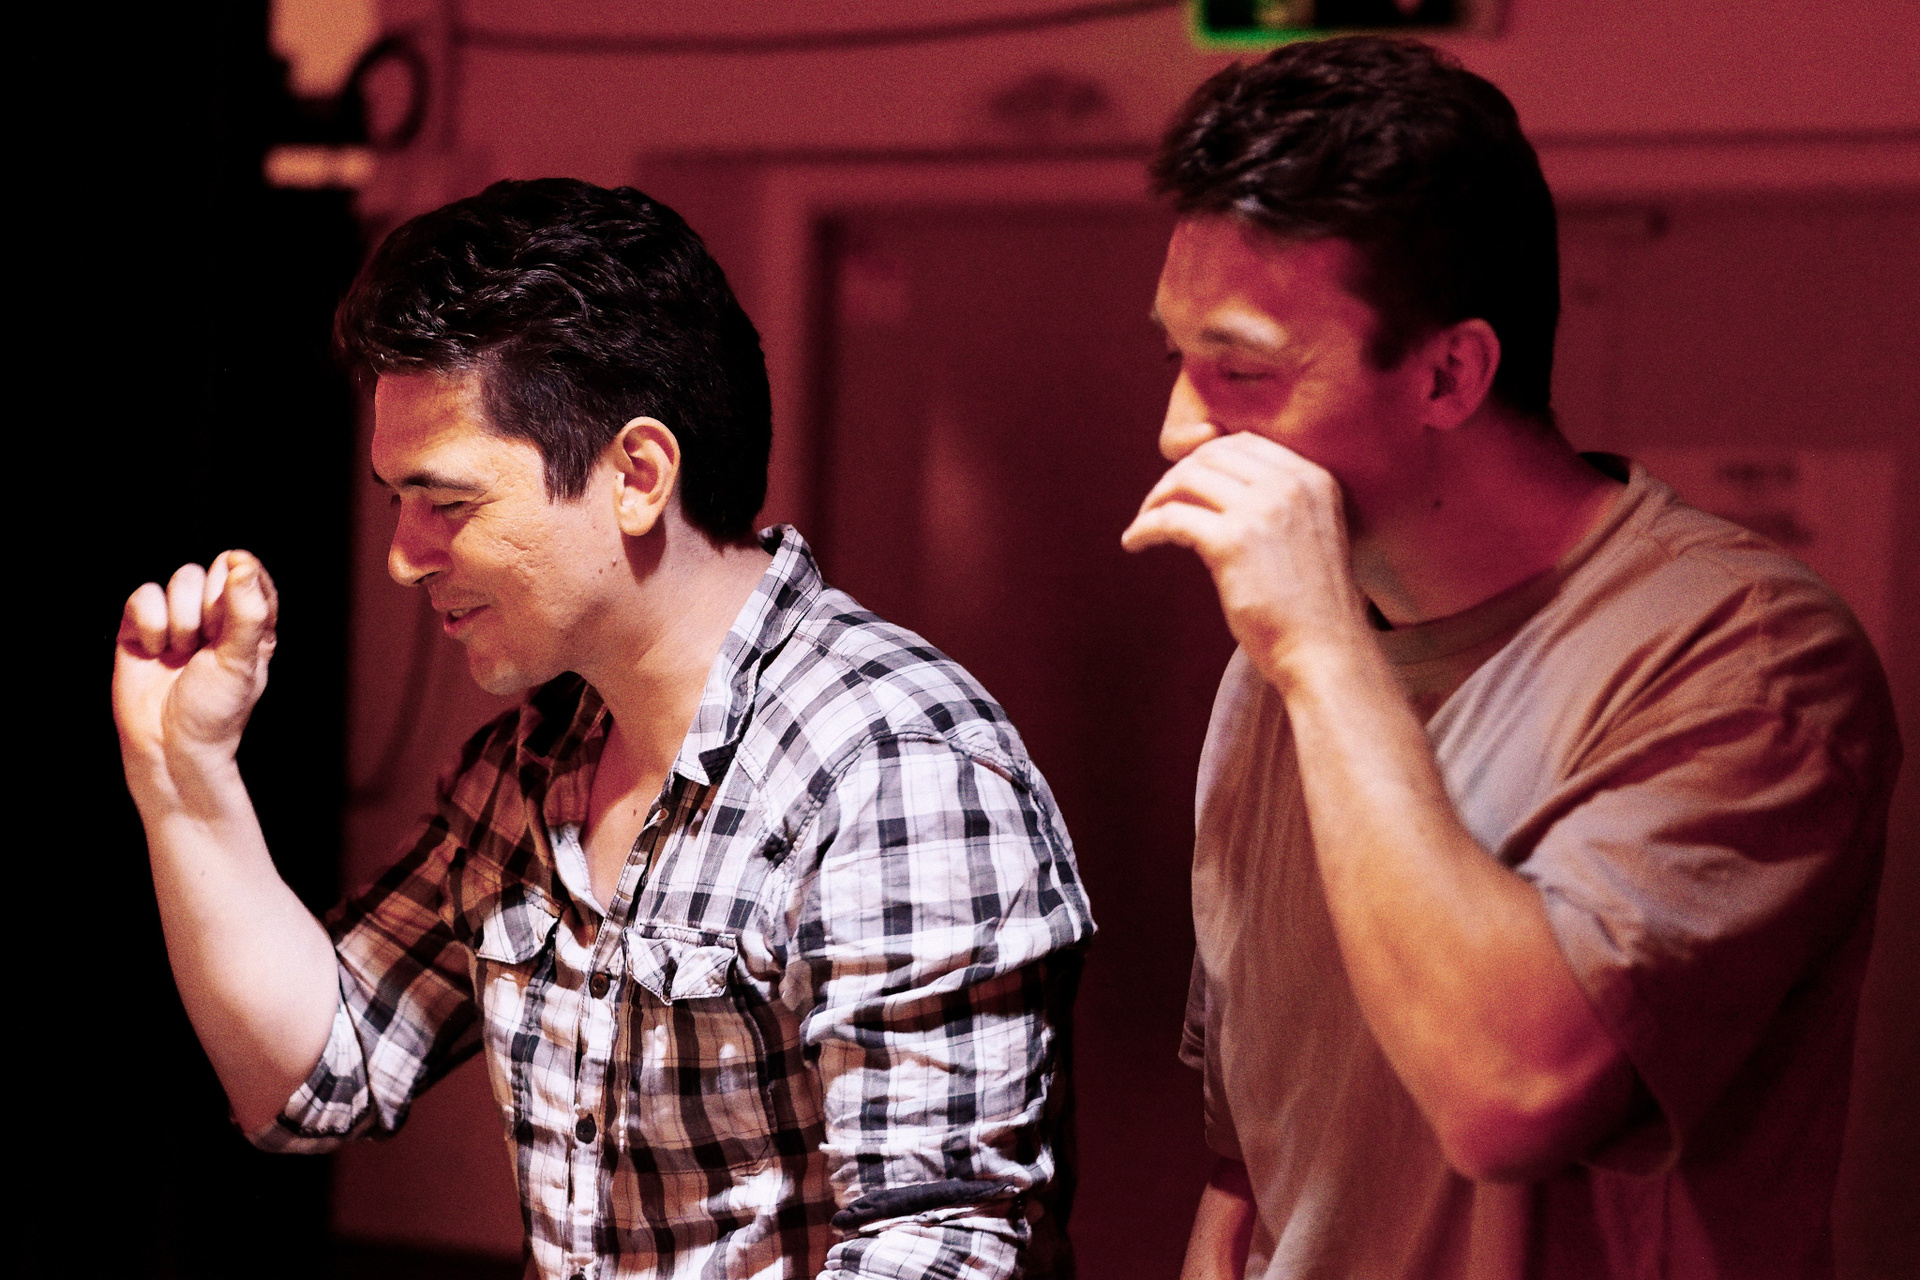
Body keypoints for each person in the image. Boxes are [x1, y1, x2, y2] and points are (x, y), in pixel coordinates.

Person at [112, 178, 1093, 1280]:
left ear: (637, 475)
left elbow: (942, 1247)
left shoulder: (890, 767)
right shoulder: (535, 762)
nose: (402, 555)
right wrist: (183, 774)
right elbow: (316, 1072)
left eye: (447, 502)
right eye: (396, 500)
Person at [1121, 36, 1898, 1280]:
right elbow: (1254, 1153)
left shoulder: (1747, 654)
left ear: (1450, 372)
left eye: (1244, 371)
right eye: (1178, 359)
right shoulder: (1276, 659)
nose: (1179, 429)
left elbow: (1514, 1092)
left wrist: (1319, 650)